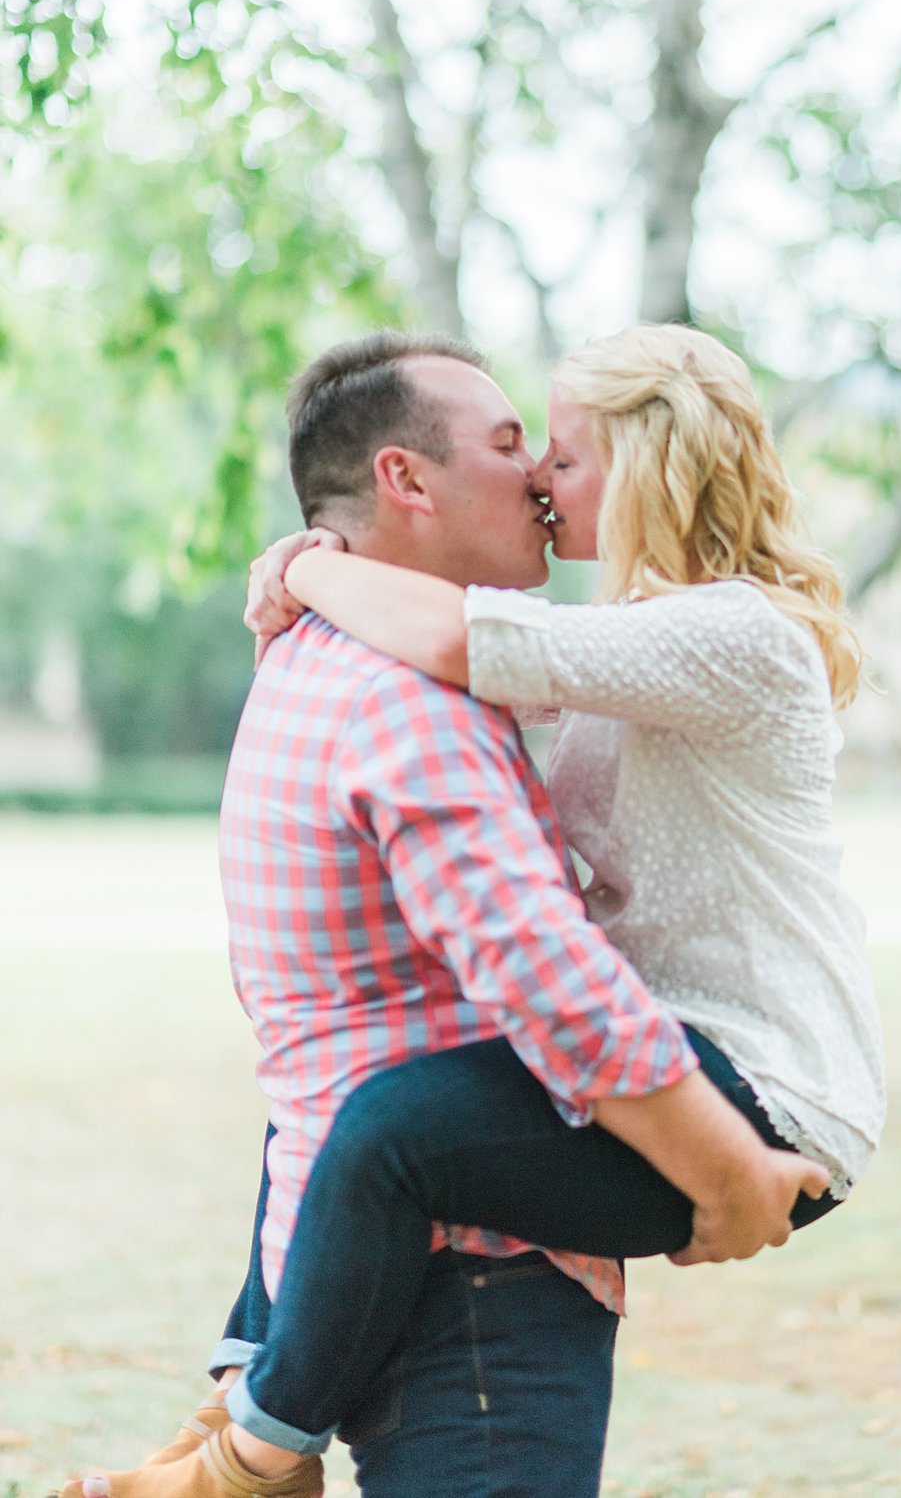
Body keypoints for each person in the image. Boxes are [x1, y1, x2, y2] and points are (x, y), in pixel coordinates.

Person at [61, 330, 831, 1498]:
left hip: (754, 1082)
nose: (534, 479)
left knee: (383, 1127)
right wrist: (726, 1177)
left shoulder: (639, 642)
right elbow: (549, 979)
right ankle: (246, 1440)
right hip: (485, 1281)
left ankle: (245, 1432)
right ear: (407, 481)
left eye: (558, 456)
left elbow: (466, 649)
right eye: (518, 446)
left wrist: (309, 566)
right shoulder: (417, 697)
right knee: (385, 1130)